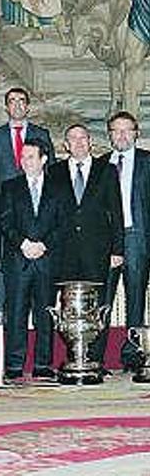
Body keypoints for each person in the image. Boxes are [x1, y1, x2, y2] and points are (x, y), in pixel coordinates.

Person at [48, 124, 125, 372]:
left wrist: (118, 249)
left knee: (99, 305)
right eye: (73, 138)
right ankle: (74, 358)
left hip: (98, 250)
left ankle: (96, 360)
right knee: (69, 307)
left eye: (83, 138)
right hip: (65, 251)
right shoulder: (55, 171)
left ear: (90, 141)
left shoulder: (107, 170)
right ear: (65, 145)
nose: (78, 142)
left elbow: (116, 212)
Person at [0, 88, 54, 323]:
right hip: (8, 213)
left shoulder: (41, 134)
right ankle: (0, 315)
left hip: (37, 215)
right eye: (11, 101)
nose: (16, 105)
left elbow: (51, 175)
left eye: (21, 101)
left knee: (37, 269)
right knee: (6, 266)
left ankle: (37, 317)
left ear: (28, 106)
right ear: (6, 107)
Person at [0, 141, 62, 380]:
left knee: (45, 314)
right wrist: (24, 244)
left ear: (43, 159)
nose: (25, 161)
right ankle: (14, 364)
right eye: (23, 157)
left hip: (47, 260)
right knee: (16, 313)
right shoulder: (10, 187)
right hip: (19, 259)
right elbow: (5, 222)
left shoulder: (58, 188)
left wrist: (43, 245)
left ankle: (43, 364)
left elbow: (62, 224)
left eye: (31, 156)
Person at [98, 111, 150, 372]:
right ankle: (96, 356)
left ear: (136, 133)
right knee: (102, 299)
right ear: (109, 135)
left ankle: (132, 355)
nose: (121, 135)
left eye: (126, 130)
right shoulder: (100, 164)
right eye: (116, 130)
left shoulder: (147, 162)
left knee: (136, 298)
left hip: (137, 238)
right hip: (106, 242)